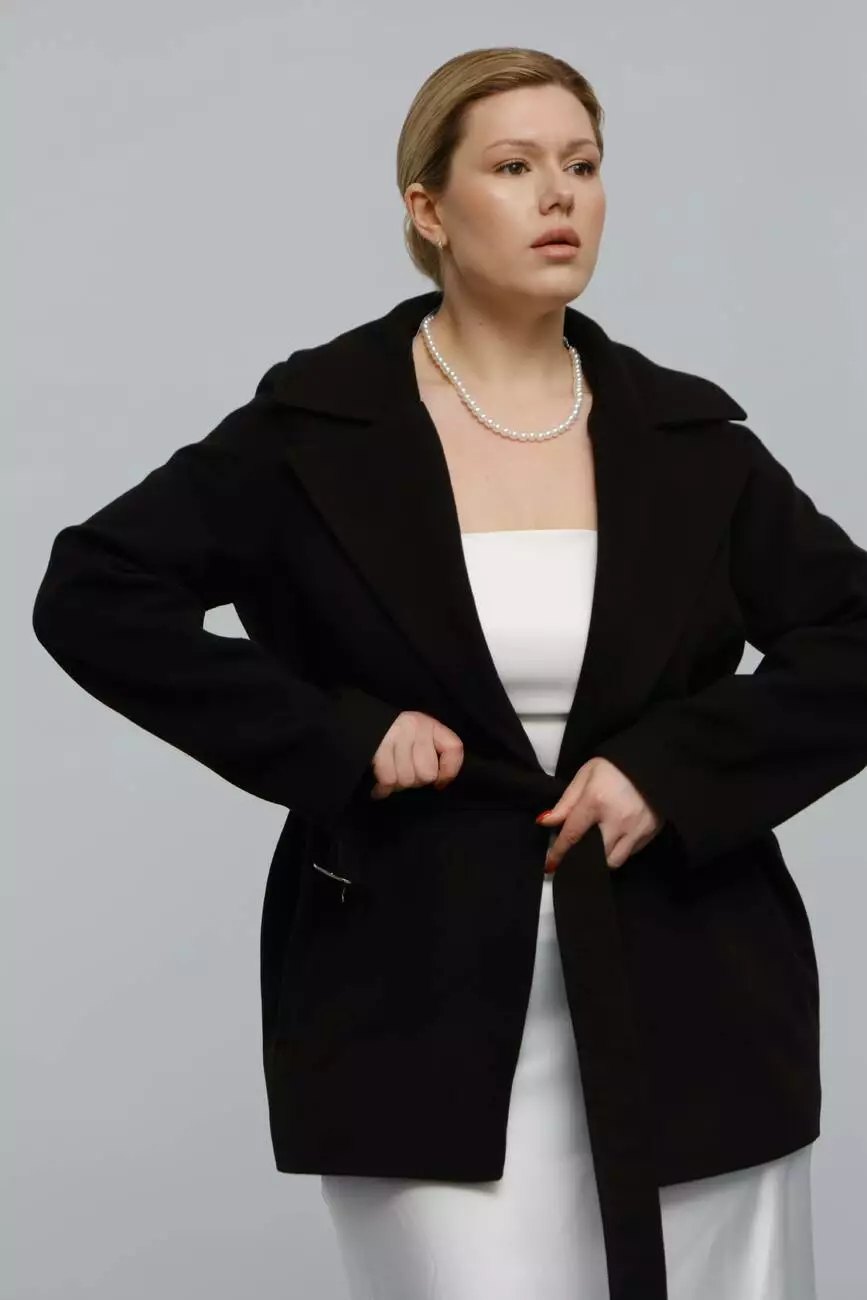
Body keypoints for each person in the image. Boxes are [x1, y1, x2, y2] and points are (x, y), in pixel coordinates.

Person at [32, 46, 867, 1300]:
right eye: (515, 166)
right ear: (429, 208)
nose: (560, 196)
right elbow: (94, 594)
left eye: (582, 165)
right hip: (413, 997)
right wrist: (339, 736)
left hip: (693, 996)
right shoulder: (316, 431)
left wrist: (671, 772)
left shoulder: (688, 440)